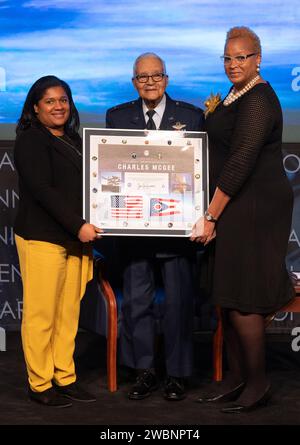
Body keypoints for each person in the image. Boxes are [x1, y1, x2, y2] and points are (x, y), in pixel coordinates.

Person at [191, 27, 294, 413]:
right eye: (228, 58)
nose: (234, 64)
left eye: (242, 57)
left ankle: (258, 382)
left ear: (258, 59)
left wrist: (210, 215)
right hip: (237, 203)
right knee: (229, 294)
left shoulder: (259, 100)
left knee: (246, 297)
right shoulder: (237, 94)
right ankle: (236, 378)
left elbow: (240, 162)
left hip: (254, 206)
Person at [106, 52, 204, 401]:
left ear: (166, 79)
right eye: (142, 77)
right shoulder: (117, 117)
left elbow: (199, 175)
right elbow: (110, 172)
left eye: (156, 75)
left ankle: (177, 374)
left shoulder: (191, 117)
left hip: (177, 231)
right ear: (134, 82)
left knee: (179, 303)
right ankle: (143, 371)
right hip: (133, 230)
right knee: (137, 302)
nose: (149, 82)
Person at [14, 75, 102, 408]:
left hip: (75, 240)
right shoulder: (30, 141)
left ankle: (64, 377)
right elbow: (43, 191)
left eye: (63, 99)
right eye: (49, 101)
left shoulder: (76, 140)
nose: (58, 106)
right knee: (42, 315)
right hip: (43, 237)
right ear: (35, 107)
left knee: (68, 314)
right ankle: (39, 382)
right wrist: (79, 225)